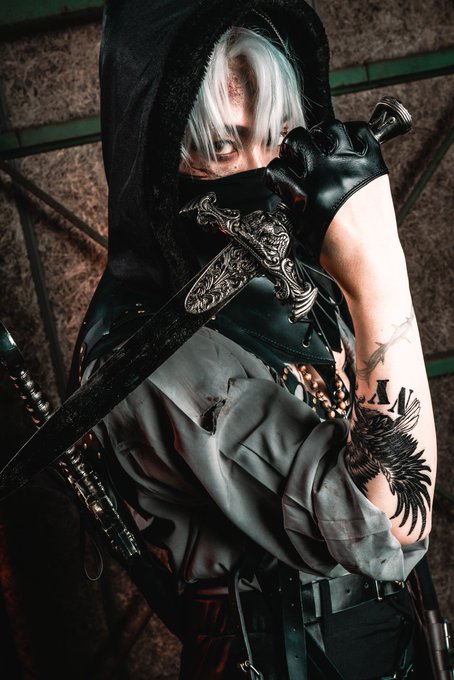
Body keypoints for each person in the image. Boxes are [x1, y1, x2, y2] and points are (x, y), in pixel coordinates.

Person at [75, 1, 437, 677]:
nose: (264, 169)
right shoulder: (152, 355)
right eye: (222, 147)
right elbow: (387, 528)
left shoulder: (292, 288)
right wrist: (379, 276)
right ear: (158, 161)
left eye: (279, 136)